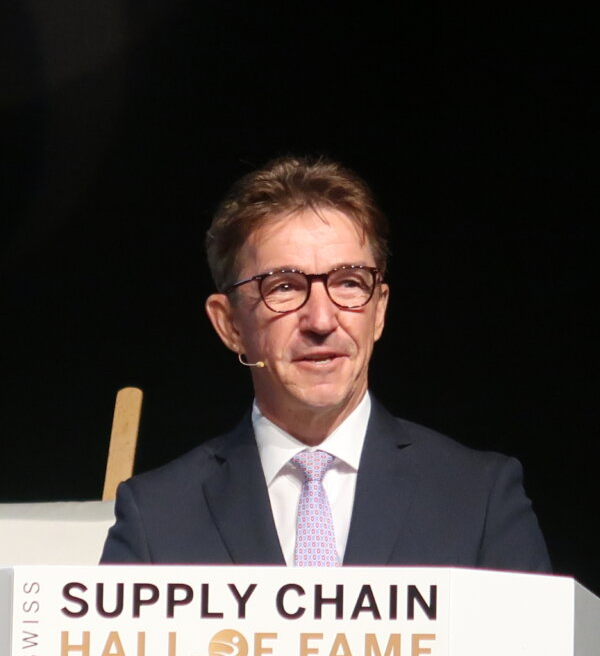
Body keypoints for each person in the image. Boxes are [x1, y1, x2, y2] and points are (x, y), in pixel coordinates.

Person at [101, 155, 551, 571]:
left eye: (349, 282)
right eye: (283, 287)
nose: (321, 320)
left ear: (379, 311)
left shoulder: (478, 499)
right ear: (230, 324)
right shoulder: (156, 518)